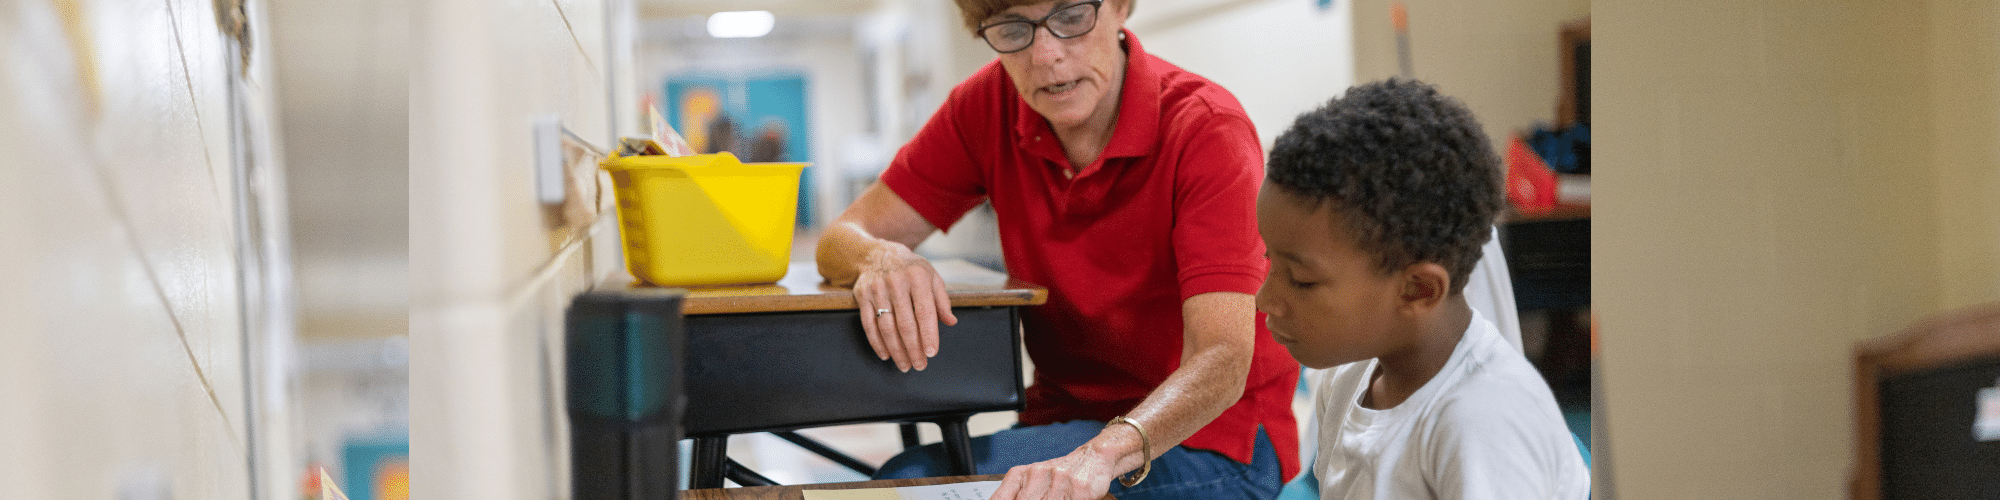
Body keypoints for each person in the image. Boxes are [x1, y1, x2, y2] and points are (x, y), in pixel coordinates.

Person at [814, 0, 1298, 498]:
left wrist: (1101, 456)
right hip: (1068, 421)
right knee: (912, 481)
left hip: (1214, 441)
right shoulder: (987, 105)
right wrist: (884, 256)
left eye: (1071, 18)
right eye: (1012, 29)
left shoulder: (1206, 128)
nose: (1045, 55)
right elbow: (843, 237)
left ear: (1121, 8)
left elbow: (1223, 358)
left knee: (910, 485)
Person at [1254, 79, 1590, 499]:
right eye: (1268, 263)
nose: (1265, 299)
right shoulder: (1351, 376)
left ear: (1418, 290)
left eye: (1301, 280)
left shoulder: (1485, 423)